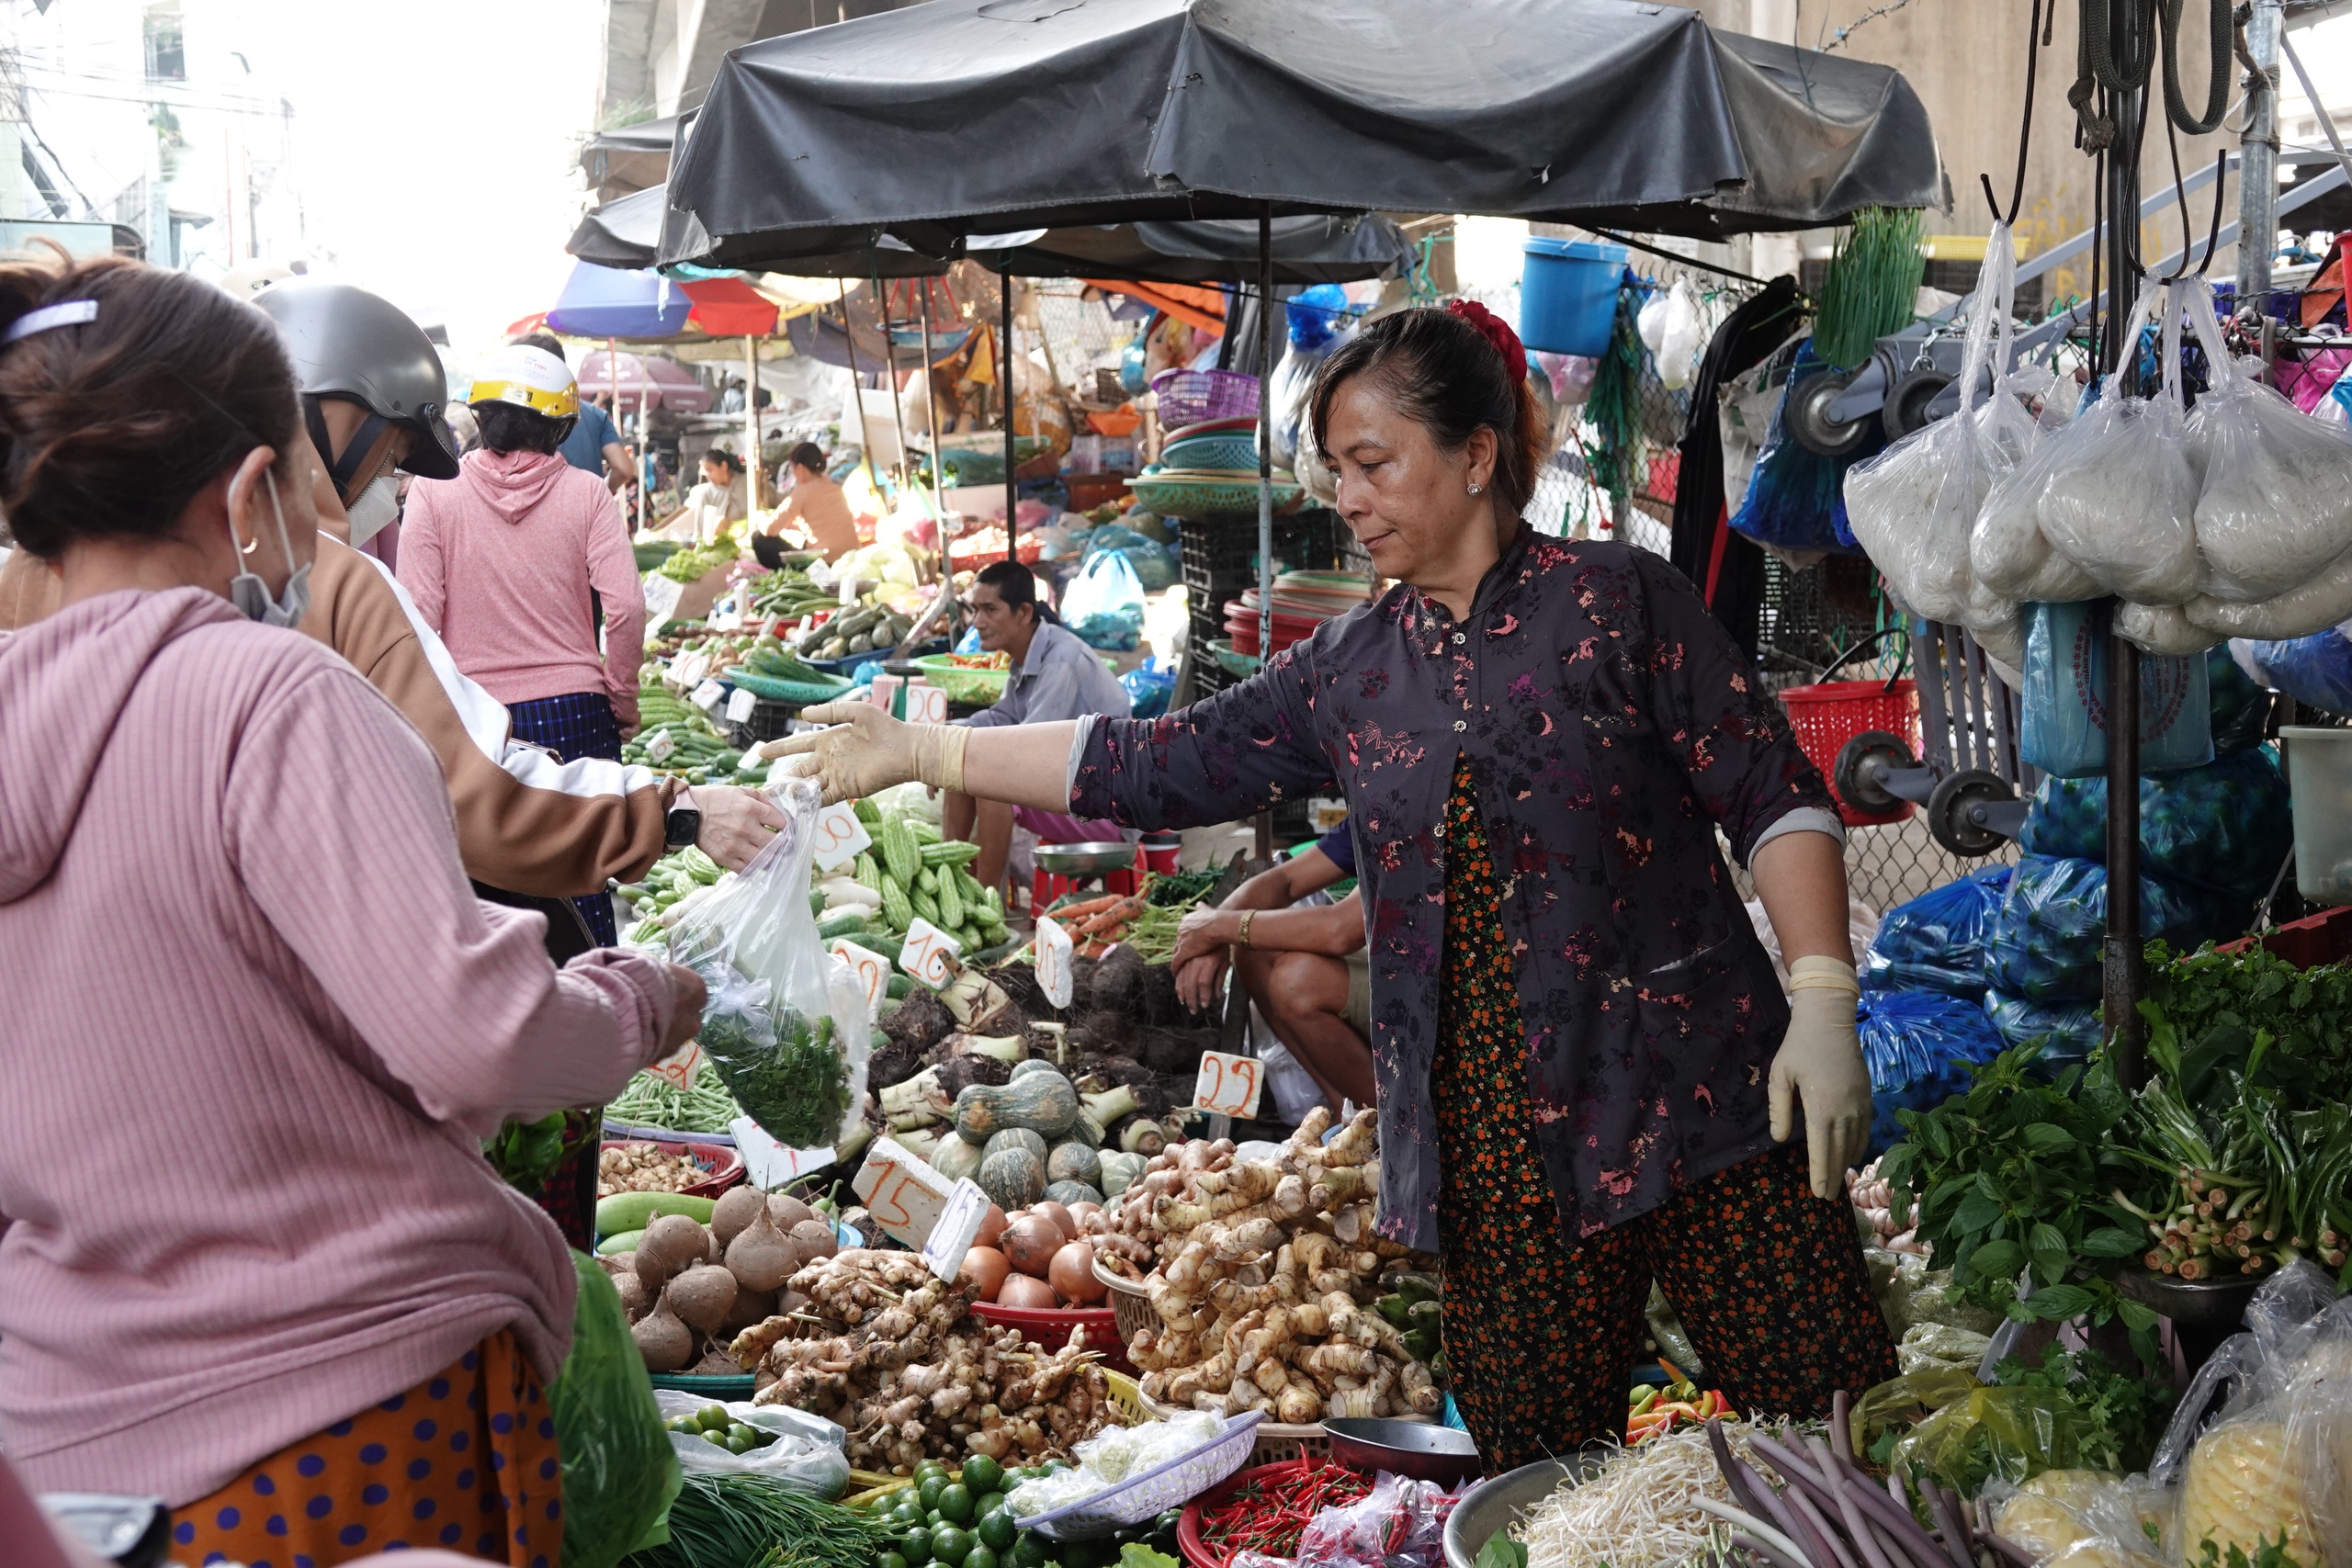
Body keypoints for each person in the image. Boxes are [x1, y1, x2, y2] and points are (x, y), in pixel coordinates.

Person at [770, 301, 1892, 1467]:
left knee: (1830, 1435)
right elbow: (1158, 762)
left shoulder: (1619, 604)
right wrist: (931, 752)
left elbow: (1774, 794)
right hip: (1500, 1155)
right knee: (1549, 1483)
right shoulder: (1353, 667)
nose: (1347, 498)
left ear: (1474, 455)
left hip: (1704, 1095)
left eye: (1372, 464)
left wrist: (1819, 995)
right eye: (1336, 470)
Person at [0, 248, 701, 1567]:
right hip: (340, 1416)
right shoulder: (275, 699)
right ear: (255, 486)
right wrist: (635, 998)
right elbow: (478, 1035)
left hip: (59, 1441)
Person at [399, 344, 648, 946]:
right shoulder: (588, 494)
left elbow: (416, 620)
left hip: (478, 724)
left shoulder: (434, 495)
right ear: (563, 426)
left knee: (485, 896)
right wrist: (621, 696)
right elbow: (628, 608)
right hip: (579, 714)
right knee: (585, 888)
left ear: (481, 416)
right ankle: (602, 1019)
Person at [944, 559, 1132, 894]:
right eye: (975, 610)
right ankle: (948, 886)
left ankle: (986, 903)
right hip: (1070, 787)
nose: (978, 622)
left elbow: (1026, 748)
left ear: (1023, 612)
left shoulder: (1060, 660)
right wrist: (943, 740)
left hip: (1107, 809)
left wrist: (967, 751)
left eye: (990, 609)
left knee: (989, 784)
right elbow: (1001, 718)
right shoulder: (1027, 656)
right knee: (953, 768)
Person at [1170, 822, 1375, 1111]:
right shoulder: (1375, 805)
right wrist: (1211, 934)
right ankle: (1342, 1107)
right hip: (1394, 961)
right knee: (1253, 952)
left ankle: (1386, 1120)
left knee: (1299, 981)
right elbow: (1286, 880)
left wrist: (1216, 927)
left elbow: (1340, 930)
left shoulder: (1410, 807)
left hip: (1441, 987)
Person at [518, 331, 631, 492]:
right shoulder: (595, 415)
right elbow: (623, 468)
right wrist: (600, 495)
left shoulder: (515, 416)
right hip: (587, 511)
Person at [759, 440, 858, 562]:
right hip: (852, 555)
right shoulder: (835, 488)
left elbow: (770, 529)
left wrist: (760, 521)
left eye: (793, 469)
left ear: (800, 468)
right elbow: (825, 523)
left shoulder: (802, 493)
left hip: (825, 559)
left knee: (758, 538)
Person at [658, 446, 748, 544]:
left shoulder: (746, 483)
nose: (708, 475)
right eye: (706, 472)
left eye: (710, 470)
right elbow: (701, 530)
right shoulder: (706, 494)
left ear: (724, 466)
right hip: (721, 543)